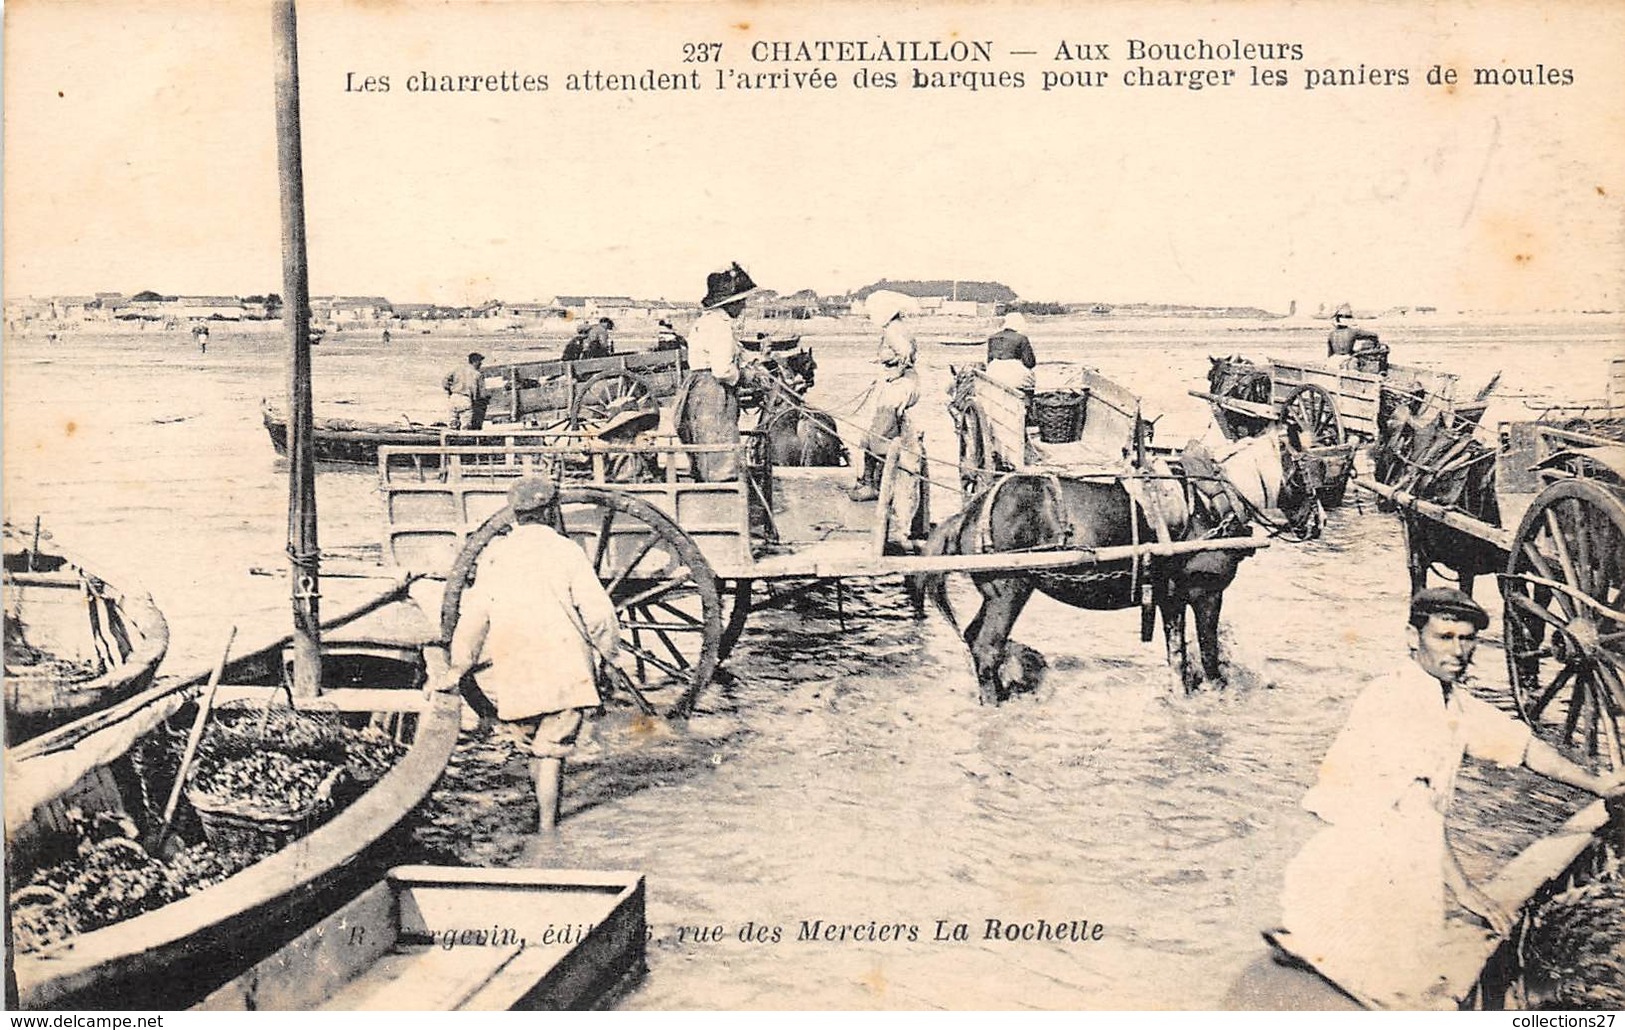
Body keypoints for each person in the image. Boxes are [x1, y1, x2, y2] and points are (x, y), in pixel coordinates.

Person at [1278, 587, 1624, 1005]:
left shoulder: (1450, 699)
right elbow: (1417, 810)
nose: (1459, 650)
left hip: (1399, 847)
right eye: (1445, 637)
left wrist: (1600, 785)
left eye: (1467, 638)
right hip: (1362, 856)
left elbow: (1526, 748)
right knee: (1392, 977)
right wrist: (1466, 892)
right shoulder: (1399, 700)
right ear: (1412, 636)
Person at [438, 477, 620, 833]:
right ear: (552, 512)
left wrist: (460, 664)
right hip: (565, 671)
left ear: (514, 516)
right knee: (552, 751)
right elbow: (599, 615)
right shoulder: (567, 551)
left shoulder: (495, 555)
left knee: (533, 746)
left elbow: (474, 618)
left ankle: (537, 823)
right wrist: (608, 655)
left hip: (516, 671)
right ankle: (549, 833)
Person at [673, 262, 759, 482]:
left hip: (697, 388)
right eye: (742, 301)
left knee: (703, 447)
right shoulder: (720, 326)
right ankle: (722, 493)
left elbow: (735, 351)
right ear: (731, 303)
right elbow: (722, 370)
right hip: (712, 392)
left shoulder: (707, 321)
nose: (744, 307)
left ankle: (707, 484)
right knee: (719, 449)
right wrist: (743, 376)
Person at [849, 290, 920, 501]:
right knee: (878, 431)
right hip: (906, 382)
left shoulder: (892, 331)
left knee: (876, 435)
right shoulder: (901, 327)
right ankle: (874, 481)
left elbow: (905, 352)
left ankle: (873, 485)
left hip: (898, 386)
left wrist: (895, 371)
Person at [985, 311, 1037, 393]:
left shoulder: (993, 337)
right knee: (1029, 379)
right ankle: (1027, 404)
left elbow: (989, 360)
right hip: (1013, 374)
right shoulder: (1021, 338)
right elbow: (1030, 363)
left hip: (993, 372)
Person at [443, 351, 489, 430]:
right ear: (475, 361)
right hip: (466, 399)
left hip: (454, 398)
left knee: (453, 424)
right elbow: (482, 394)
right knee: (466, 426)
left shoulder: (457, 370)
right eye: (480, 361)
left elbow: (445, 381)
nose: (481, 364)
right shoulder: (477, 374)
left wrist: (450, 391)